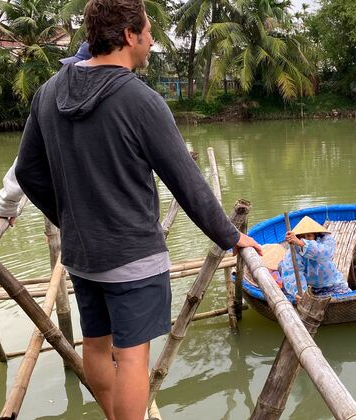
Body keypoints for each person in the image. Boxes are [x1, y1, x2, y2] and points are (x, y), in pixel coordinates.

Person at [13, 1, 262, 418]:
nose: (150, 41)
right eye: (148, 31)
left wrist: (71, 220)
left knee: (95, 344)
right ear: (129, 35)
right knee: (131, 360)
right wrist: (231, 236)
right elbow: (187, 182)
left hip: (84, 255)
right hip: (132, 257)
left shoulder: (49, 93)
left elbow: (28, 172)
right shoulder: (139, 99)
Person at [0, 42, 92, 227]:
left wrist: (61, 217)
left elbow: (25, 165)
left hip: (76, 222)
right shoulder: (121, 102)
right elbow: (24, 166)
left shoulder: (50, 100)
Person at [279, 216, 351, 299]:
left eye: (309, 236)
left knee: (346, 297)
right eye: (302, 236)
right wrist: (300, 293)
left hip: (333, 284)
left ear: (315, 235)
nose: (305, 239)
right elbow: (292, 273)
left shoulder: (325, 241)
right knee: (282, 266)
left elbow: (325, 253)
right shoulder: (294, 250)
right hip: (311, 288)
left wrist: (302, 243)